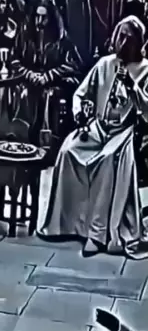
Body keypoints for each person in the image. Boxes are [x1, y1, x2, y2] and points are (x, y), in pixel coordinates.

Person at [38, 16, 148, 258]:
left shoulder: (146, 69)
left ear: (139, 42)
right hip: (97, 127)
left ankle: (97, 235)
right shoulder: (105, 64)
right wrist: (80, 112)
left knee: (106, 161)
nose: (123, 43)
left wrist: (132, 87)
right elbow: (80, 93)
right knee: (68, 151)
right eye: (120, 36)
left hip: (124, 133)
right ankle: (64, 224)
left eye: (129, 39)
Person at [12, 0, 82, 145]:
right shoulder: (25, 35)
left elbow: (73, 65)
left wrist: (49, 76)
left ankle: (48, 142)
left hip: (54, 85)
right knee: (23, 95)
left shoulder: (62, 39)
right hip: (29, 82)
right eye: (37, 16)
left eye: (43, 17)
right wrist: (29, 74)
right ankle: (22, 138)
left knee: (49, 97)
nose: (39, 21)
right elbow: (14, 60)